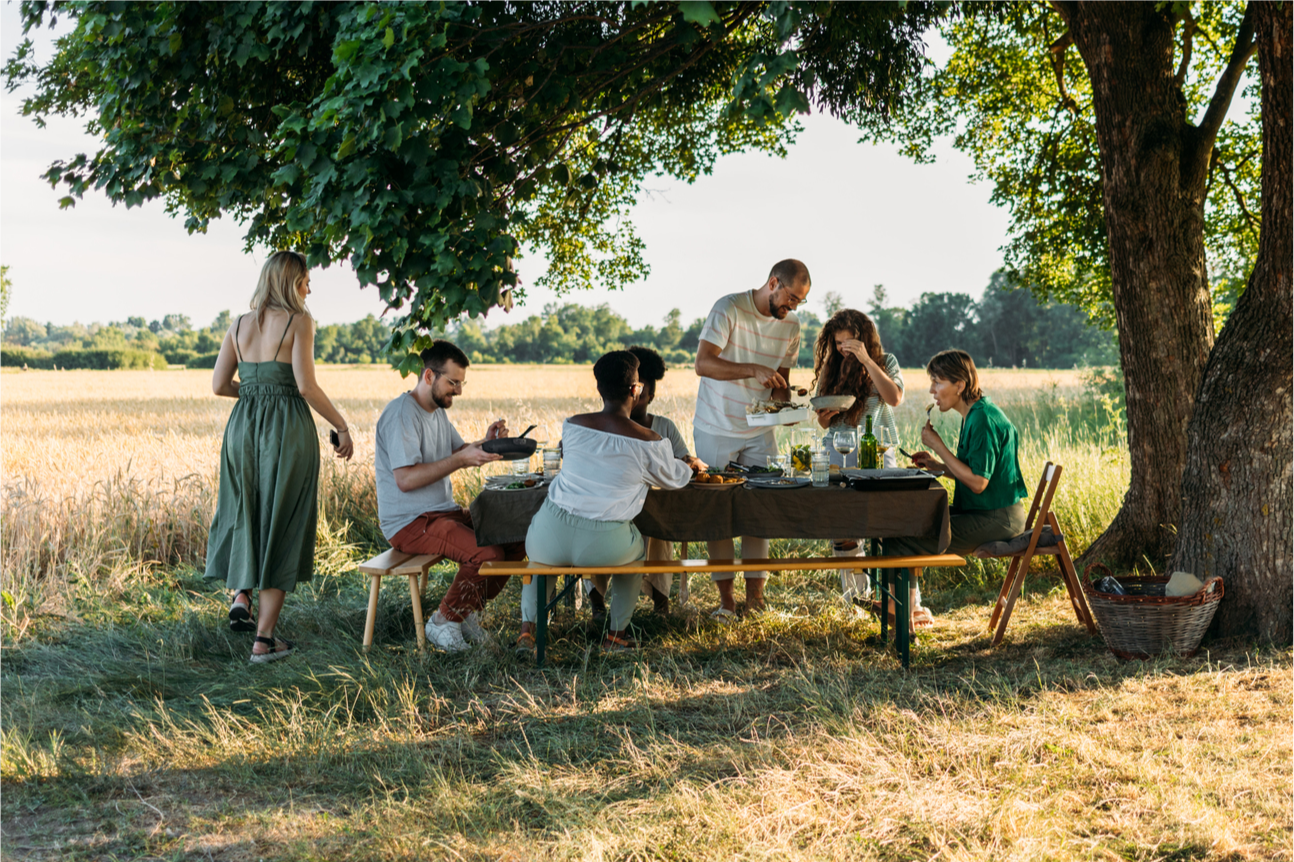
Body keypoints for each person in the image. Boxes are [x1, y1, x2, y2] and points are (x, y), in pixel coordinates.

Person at [206, 250, 354, 664]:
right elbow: (306, 386)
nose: (310, 287)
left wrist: (254, 392)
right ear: (292, 282)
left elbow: (219, 385)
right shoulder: (299, 321)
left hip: (241, 430)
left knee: (245, 512)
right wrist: (341, 426)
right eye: (307, 279)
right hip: (286, 430)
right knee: (282, 522)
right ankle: (264, 641)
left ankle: (241, 595)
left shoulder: (238, 325)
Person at [519, 351, 693, 652]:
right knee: (636, 554)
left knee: (538, 564)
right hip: (604, 545)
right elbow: (675, 478)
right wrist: (690, 465)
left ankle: (527, 633)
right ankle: (616, 636)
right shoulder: (649, 441)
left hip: (549, 531)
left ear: (599, 388)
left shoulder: (572, 425)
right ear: (635, 391)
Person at [374, 340, 526, 652]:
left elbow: (457, 452)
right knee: (487, 555)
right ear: (429, 376)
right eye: (453, 382)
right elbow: (405, 479)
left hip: (441, 513)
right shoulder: (403, 414)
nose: (458, 391)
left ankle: (464, 613)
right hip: (410, 522)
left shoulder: (436, 411)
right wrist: (459, 460)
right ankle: (443, 621)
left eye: (461, 383)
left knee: (516, 538)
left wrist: (487, 442)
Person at [692, 259, 810, 621]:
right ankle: (726, 601)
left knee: (761, 508)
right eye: (790, 298)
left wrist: (786, 409)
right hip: (717, 425)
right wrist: (752, 369)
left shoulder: (791, 326)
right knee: (720, 512)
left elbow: (780, 384)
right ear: (773, 282)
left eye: (799, 302)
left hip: (760, 430)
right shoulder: (728, 308)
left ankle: (755, 600)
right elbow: (703, 364)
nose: (792, 308)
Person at [884, 349, 1029, 627]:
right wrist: (937, 464)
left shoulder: (983, 419)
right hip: (984, 512)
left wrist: (938, 444)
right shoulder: (975, 414)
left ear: (960, 385)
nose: (932, 390)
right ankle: (901, 610)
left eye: (938, 382)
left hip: (997, 519)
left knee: (905, 535)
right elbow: (971, 472)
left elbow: (977, 482)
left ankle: (901, 618)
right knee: (905, 523)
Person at [585, 345, 707, 619]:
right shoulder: (598, 426)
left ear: (650, 394)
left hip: (654, 507)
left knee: (659, 527)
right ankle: (597, 604)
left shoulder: (663, 428)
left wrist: (688, 464)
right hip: (612, 508)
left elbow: (681, 461)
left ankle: (661, 604)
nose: (637, 398)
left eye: (643, 392)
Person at [809, 309, 904, 609]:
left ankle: (893, 600)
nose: (842, 349)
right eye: (838, 343)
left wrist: (866, 360)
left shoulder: (886, 362)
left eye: (848, 342)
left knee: (884, 522)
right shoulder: (832, 366)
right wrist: (826, 416)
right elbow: (825, 424)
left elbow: (894, 397)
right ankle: (857, 600)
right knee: (843, 525)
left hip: (877, 450)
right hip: (837, 448)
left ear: (863, 339)